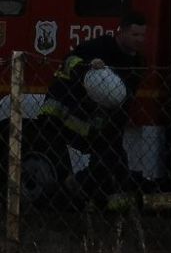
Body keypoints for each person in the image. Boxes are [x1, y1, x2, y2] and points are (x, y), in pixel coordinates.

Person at [38, 11, 147, 211]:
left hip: (100, 122)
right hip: (68, 112)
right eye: (135, 34)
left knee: (112, 160)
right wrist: (88, 69)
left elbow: (124, 99)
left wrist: (115, 129)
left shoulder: (137, 63)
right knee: (108, 158)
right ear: (120, 32)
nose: (140, 40)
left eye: (142, 35)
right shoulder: (99, 47)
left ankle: (81, 197)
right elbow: (70, 61)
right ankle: (68, 194)